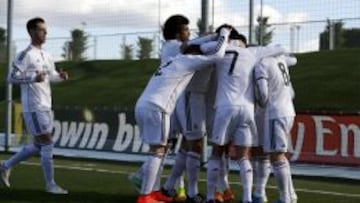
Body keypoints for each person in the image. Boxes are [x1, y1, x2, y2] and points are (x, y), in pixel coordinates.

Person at [135, 27, 230, 203]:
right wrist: (224, 34)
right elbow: (217, 55)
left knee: (157, 149)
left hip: (144, 104)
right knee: (158, 150)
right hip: (158, 106)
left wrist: (209, 37)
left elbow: (192, 45)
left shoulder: (173, 59)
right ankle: (145, 196)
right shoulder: (188, 61)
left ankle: (154, 192)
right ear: (195, 55)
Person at [0, 17, 69, 194]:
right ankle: (50, 185)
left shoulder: (46, 55)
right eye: (41, 30)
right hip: (34, 107)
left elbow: (50, 75)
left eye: (45, 30)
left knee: (40, 145)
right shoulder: (25, 55)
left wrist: (59, 77)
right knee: (47, 143)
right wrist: (32, 78)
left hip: (46, 105)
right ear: (32, 32)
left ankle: (4, 166)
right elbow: (10, 77)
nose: (45, 33)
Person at [128, 14, 190, 201]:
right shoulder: (174, 46)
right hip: (171, 102)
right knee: (167, 146)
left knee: (168, 145)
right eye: (186, 29)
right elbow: (195, 47)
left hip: (171, 101)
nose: (189, 33)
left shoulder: (170, 47)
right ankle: (157, 188)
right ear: (178, 33)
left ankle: (152, 184)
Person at [254, 53, 298, 203]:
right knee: (280, 154)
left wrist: (261, 103)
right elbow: (292, 92)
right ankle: (291, 195)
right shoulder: (280, 60)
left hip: (275, 113)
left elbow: (263, 94)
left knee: (276, 156)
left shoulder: (262, 64)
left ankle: (284, 198)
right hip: (289, 111)